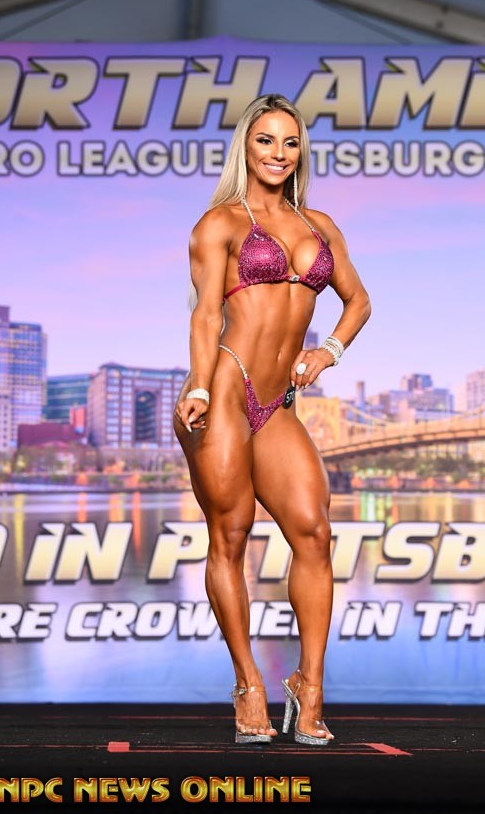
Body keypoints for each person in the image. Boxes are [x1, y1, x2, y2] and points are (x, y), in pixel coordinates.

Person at [173, 93, 371, 745]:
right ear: (246, 146)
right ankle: (248, 683)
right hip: (225, 391)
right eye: (265, 140)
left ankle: (308, 685)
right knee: (230, 537)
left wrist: (328, 350)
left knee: (314, 531)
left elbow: (358, 301)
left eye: (290, 142)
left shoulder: (320, 225)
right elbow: (206, 314)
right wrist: (199, 385)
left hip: (278, 402)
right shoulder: (219, 224)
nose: (278, 153)